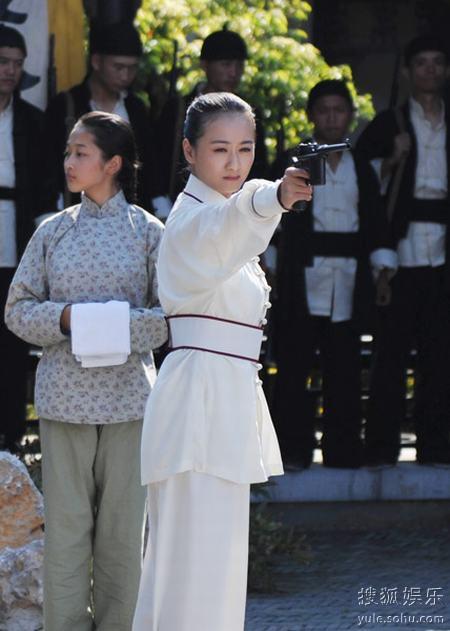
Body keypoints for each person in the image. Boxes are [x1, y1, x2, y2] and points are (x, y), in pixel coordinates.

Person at [132, 92, 311, 631]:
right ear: (189, 151)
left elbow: (233, 227)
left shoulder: (216, 216)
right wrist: (273, 195)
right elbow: (226, 228)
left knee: (216, 565)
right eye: (219, 150)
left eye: (245, 149)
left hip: (221, 401)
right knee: (193, 565)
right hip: (197, 405)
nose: (233, 163)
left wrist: (267, 200)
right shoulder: (189, 220)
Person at [5, 111, 167, 630]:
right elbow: (16, 310)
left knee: (123, 536)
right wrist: (70, 317)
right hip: (64, 402)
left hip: (128, 404)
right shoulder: (50, 233)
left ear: (113, 163)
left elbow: (169, 317)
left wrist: (111, 325)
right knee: (67, 538)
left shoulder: (149, 233)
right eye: (68, 152)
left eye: (81, 152)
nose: (69, 161)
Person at [270, 80, 396, 470]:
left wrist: (383, 272)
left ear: (349, 117)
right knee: (294, 365)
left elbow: (375, 221)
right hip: (303, 275)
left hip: (349, 275)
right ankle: (292, 449)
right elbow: (276, 219)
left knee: (343, 368)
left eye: (338, 110)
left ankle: (342, 450)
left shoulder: (361, 166)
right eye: (323, 109)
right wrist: (271, 267)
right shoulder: (297, 161)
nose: (330, 117)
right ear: (312, 115)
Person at [356, 35, 450, 466]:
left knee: (440, 354)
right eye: (422, 64)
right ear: (409, 72)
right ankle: (381, 448)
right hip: (399, 253)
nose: (430, 71)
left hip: (443, 253)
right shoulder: (388, 124)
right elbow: (361, 184)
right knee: (390, 356)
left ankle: (437, 447)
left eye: (437, 63)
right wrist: (392, 160)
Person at [41, 21, 156, 213]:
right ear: (96, 62)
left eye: (132, 68)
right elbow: (47, 164)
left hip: (129, 215)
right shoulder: (66, 105)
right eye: (118, 67)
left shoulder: (136, 109)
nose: (125, 75)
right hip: (74, 211)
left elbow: (149, 166)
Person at [152, 28, 268, 217]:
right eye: (226, 64)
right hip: (183, 205)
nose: (233, 72)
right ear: (205, 65)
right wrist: (160, 199)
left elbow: (259, 166)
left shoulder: (249, 112)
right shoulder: (178, 108)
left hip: (235, 210)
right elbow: (158, 157)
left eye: (239, 65)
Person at [0, 25, 44, 452]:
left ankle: (11, 438)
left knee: (12, 342)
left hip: (18, 235)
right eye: (2, 61)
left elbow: (45, 184)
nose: (10, 71)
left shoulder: (33, 121)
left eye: (16, 63)